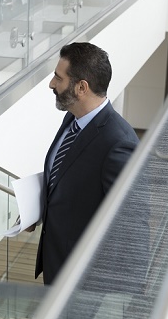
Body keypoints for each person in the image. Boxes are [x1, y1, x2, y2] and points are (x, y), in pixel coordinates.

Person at [34, 42, 141, 286]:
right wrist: (37, 210)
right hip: (56, 264)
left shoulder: (119, 143)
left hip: (83, 280)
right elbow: (67, 180)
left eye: (58, 78)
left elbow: (131, 223)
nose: (52, 84)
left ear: (81, 87)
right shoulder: (72, 118)